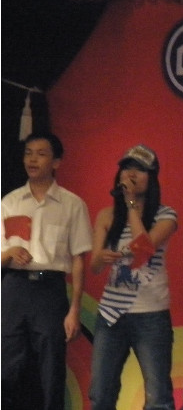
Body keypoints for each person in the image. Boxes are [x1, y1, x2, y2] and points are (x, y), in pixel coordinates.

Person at [1, 131, 93, 410]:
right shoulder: (9, 202)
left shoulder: (72, 204)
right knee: (6, 364)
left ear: (56, 162)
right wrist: (8, 254)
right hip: (14, 287)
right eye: (28, 153)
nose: (32, 159)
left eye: (41, 154)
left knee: (51, 366)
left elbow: (79, 259)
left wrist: (74, 309)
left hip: (49, 290)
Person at [88, 144, 177, 410]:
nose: (131, 174)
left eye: (139, 169)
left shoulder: (165, 215)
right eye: (127, 168)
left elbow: (144, 249)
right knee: (100, 393)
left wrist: (130, 206)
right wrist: (102, 258)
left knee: (158, 397)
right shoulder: (106, 215)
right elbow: (94, 266)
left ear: (152, 178)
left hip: (151, 315)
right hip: (110, 314)